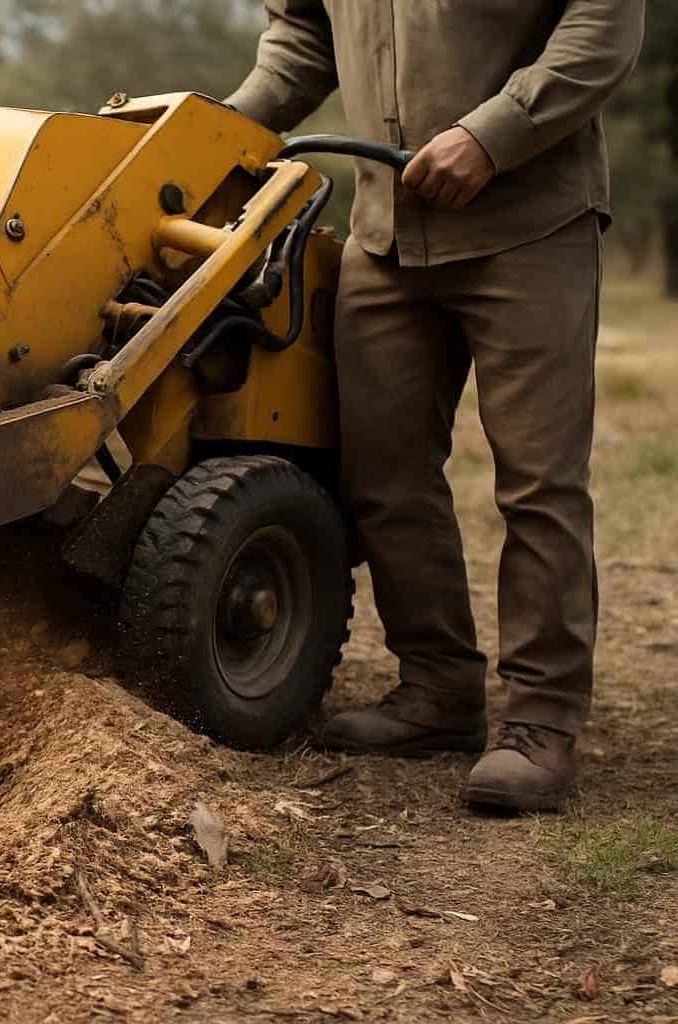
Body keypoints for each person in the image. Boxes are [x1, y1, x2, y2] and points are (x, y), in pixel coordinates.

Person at [224, 0, 645, 812]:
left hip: (531, 222)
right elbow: (301, 35)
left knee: (538, 482)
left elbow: (604, 24)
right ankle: (439, 688)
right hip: (384, 236)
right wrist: (224, 126)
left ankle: (542, 723)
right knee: (383, 476)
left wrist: (496, 133)